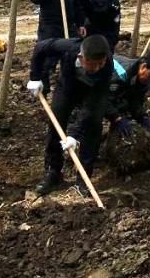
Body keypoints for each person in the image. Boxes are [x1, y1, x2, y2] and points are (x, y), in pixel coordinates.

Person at [28, 35, 113, 196]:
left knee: (93, 126)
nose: (96, 68)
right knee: (56, 123)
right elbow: (40, 48)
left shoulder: (106, 68)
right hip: (68, 87)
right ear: (81, 57)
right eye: (92, 64)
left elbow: (91, 108)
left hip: (93, 92)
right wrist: (35, 78)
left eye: (100, 64)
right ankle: (53, 172)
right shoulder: (68, 47)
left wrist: (74, 135)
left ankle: (83, 180)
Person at [106, 50, 150, 136]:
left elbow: (136, 100)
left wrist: (142, 117)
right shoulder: (121, 73)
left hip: (113, 92)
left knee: (125, 110)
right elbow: (102, 98)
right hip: (90, 87)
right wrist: (117, 118)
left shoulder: (144, 80)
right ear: (144, 66)